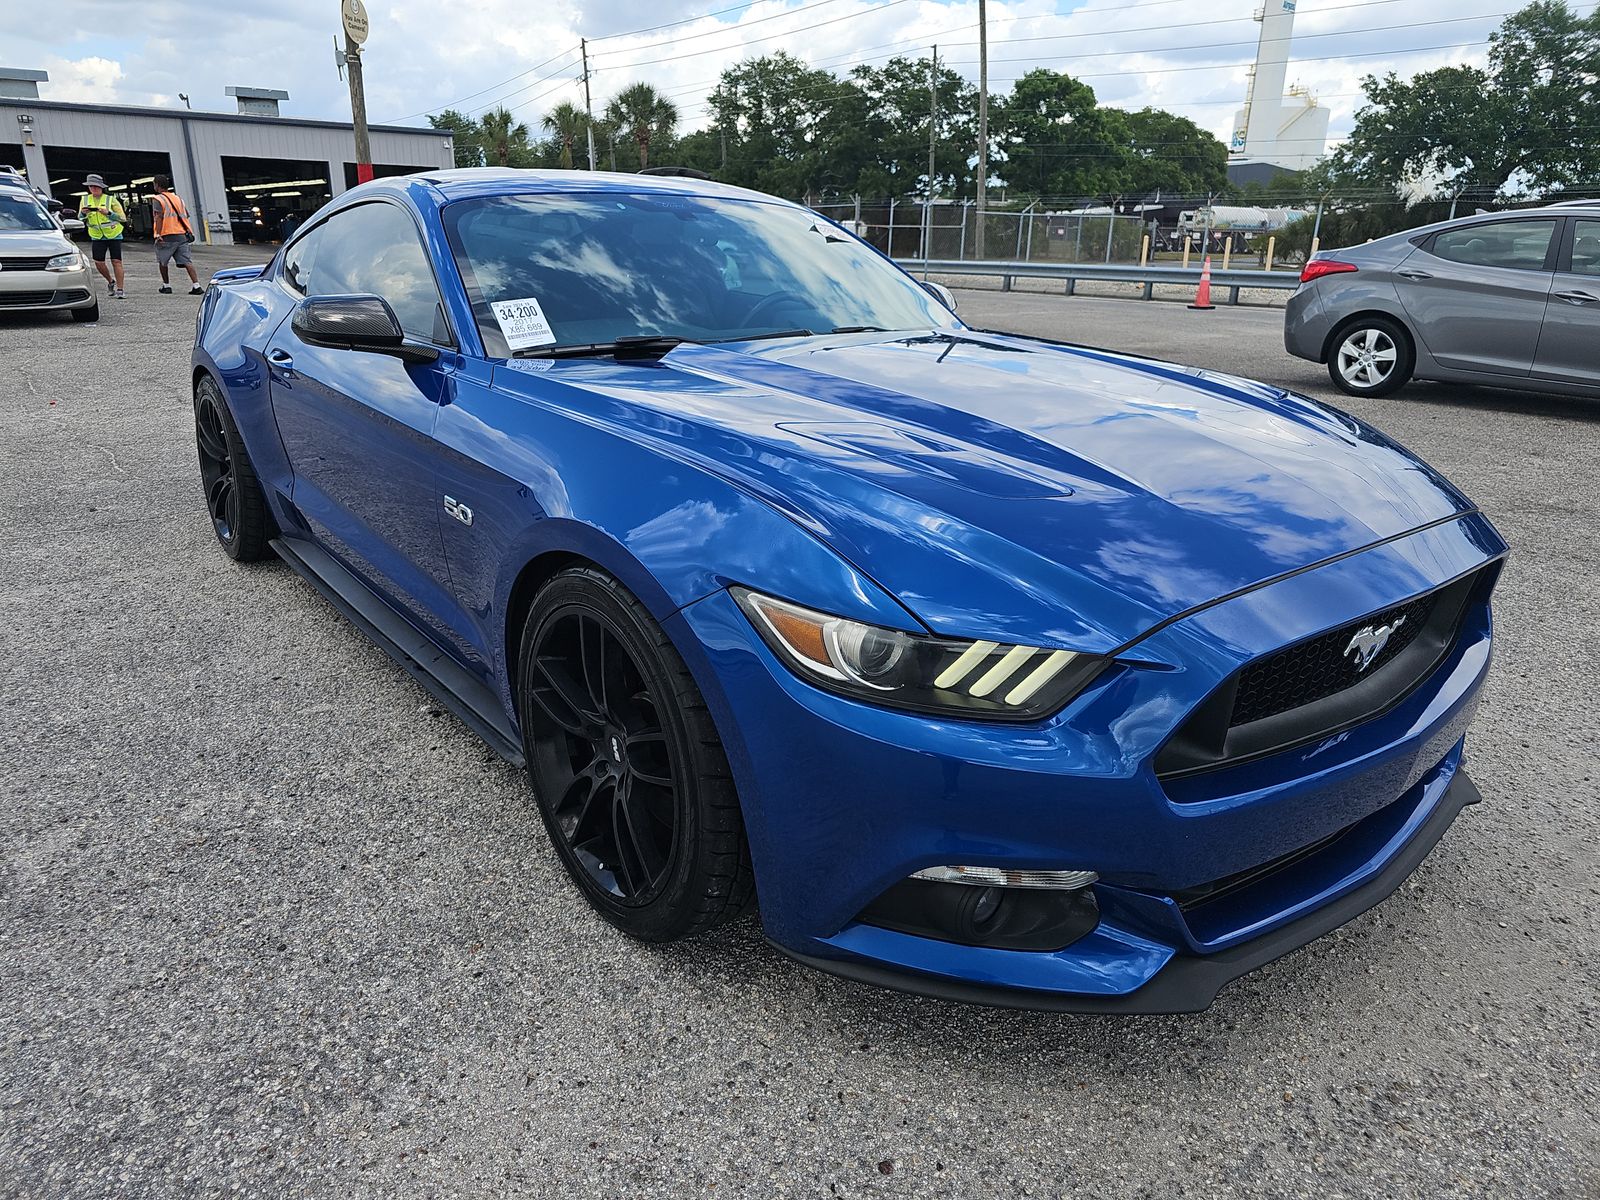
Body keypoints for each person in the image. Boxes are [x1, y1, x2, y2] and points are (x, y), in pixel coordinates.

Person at [149, 174, 202, 294]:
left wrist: (157, 234)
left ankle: (166, 285)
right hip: (182, 235)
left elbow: (158, 218)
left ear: (157, 185)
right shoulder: (178, 199)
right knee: (187, 261)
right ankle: (196, 285)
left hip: (167, 234)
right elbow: (186, 215)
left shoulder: (158, 199)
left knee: (163, 261)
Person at [79, 173, 126, 299]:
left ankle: (120, 289)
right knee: (99, 263)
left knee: (116, 261)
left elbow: (123, 218)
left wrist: (109, 213)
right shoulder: (84, 200)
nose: (93, 189)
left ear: (101, 187)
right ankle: (111, 281)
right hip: (97, 235)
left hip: (113, 234)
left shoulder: (111, 200)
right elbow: (80, 218)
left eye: (96, 186)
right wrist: (83, 214)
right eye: (91, 186)